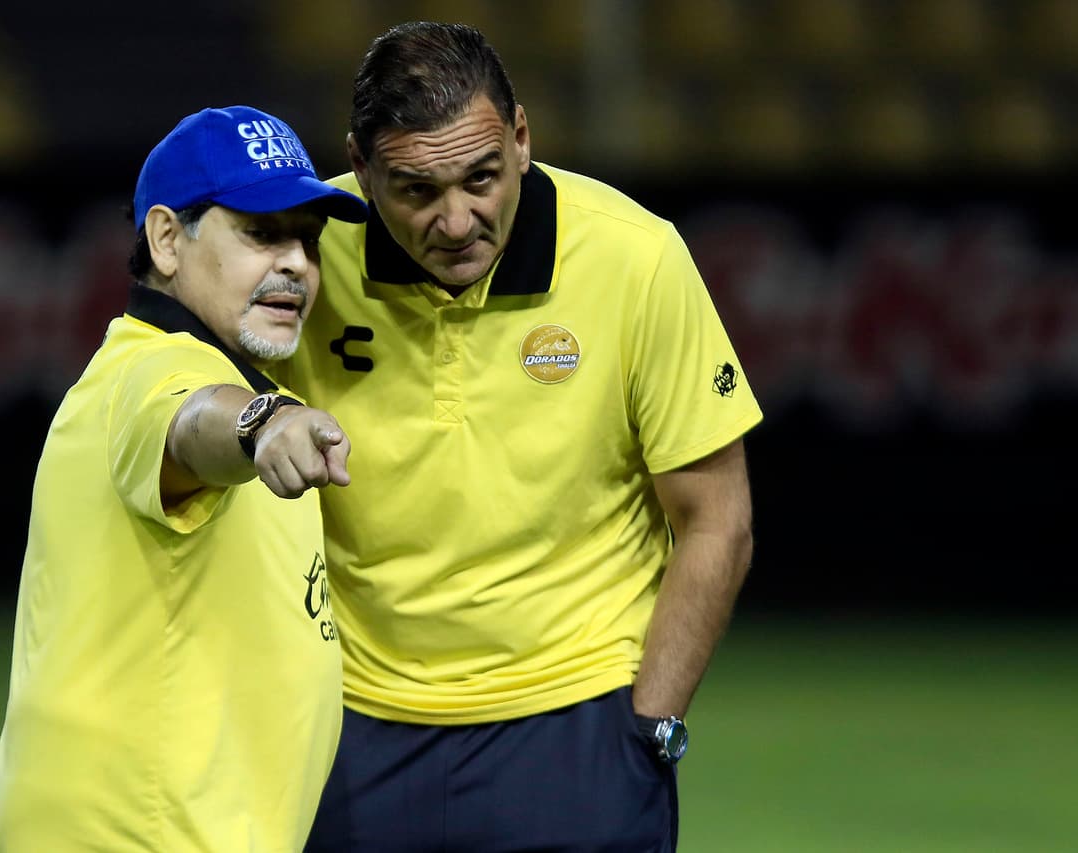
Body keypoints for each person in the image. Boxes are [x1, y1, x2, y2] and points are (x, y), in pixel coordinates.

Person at [278, 21, 763, 853]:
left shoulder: (635, 258)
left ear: (523, 137)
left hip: (578, 728)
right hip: (352, 728)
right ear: (360, 169)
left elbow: (718, 520)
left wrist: (652, 728)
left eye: (481, 178)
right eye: (416, 191)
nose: (458, 220)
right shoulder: (300, 252)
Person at [0, 105, 367, 852]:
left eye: (308, 240)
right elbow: (193, 422)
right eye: (261, 231)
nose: (294, 261)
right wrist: (262, 423)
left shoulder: (211, 366)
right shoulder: (149, 369)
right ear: (166, 239)